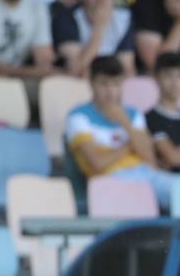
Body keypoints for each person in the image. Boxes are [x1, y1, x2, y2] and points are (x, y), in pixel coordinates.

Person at [66, 55, 172, 205]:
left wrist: (125, 122)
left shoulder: (133, 115)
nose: (110, 91)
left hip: (145, 174)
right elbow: (97, 164)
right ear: (91, 83)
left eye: (115, 84)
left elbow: (150, 160)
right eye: (104, 84)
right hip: (108, 181)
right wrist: (130, 147)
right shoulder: (78, 116)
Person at [52, 0, 135, 76]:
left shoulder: (124, 18)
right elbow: (75, 71)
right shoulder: (66, 18)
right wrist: (98, 29)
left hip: (112, 85)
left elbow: (127, 69)